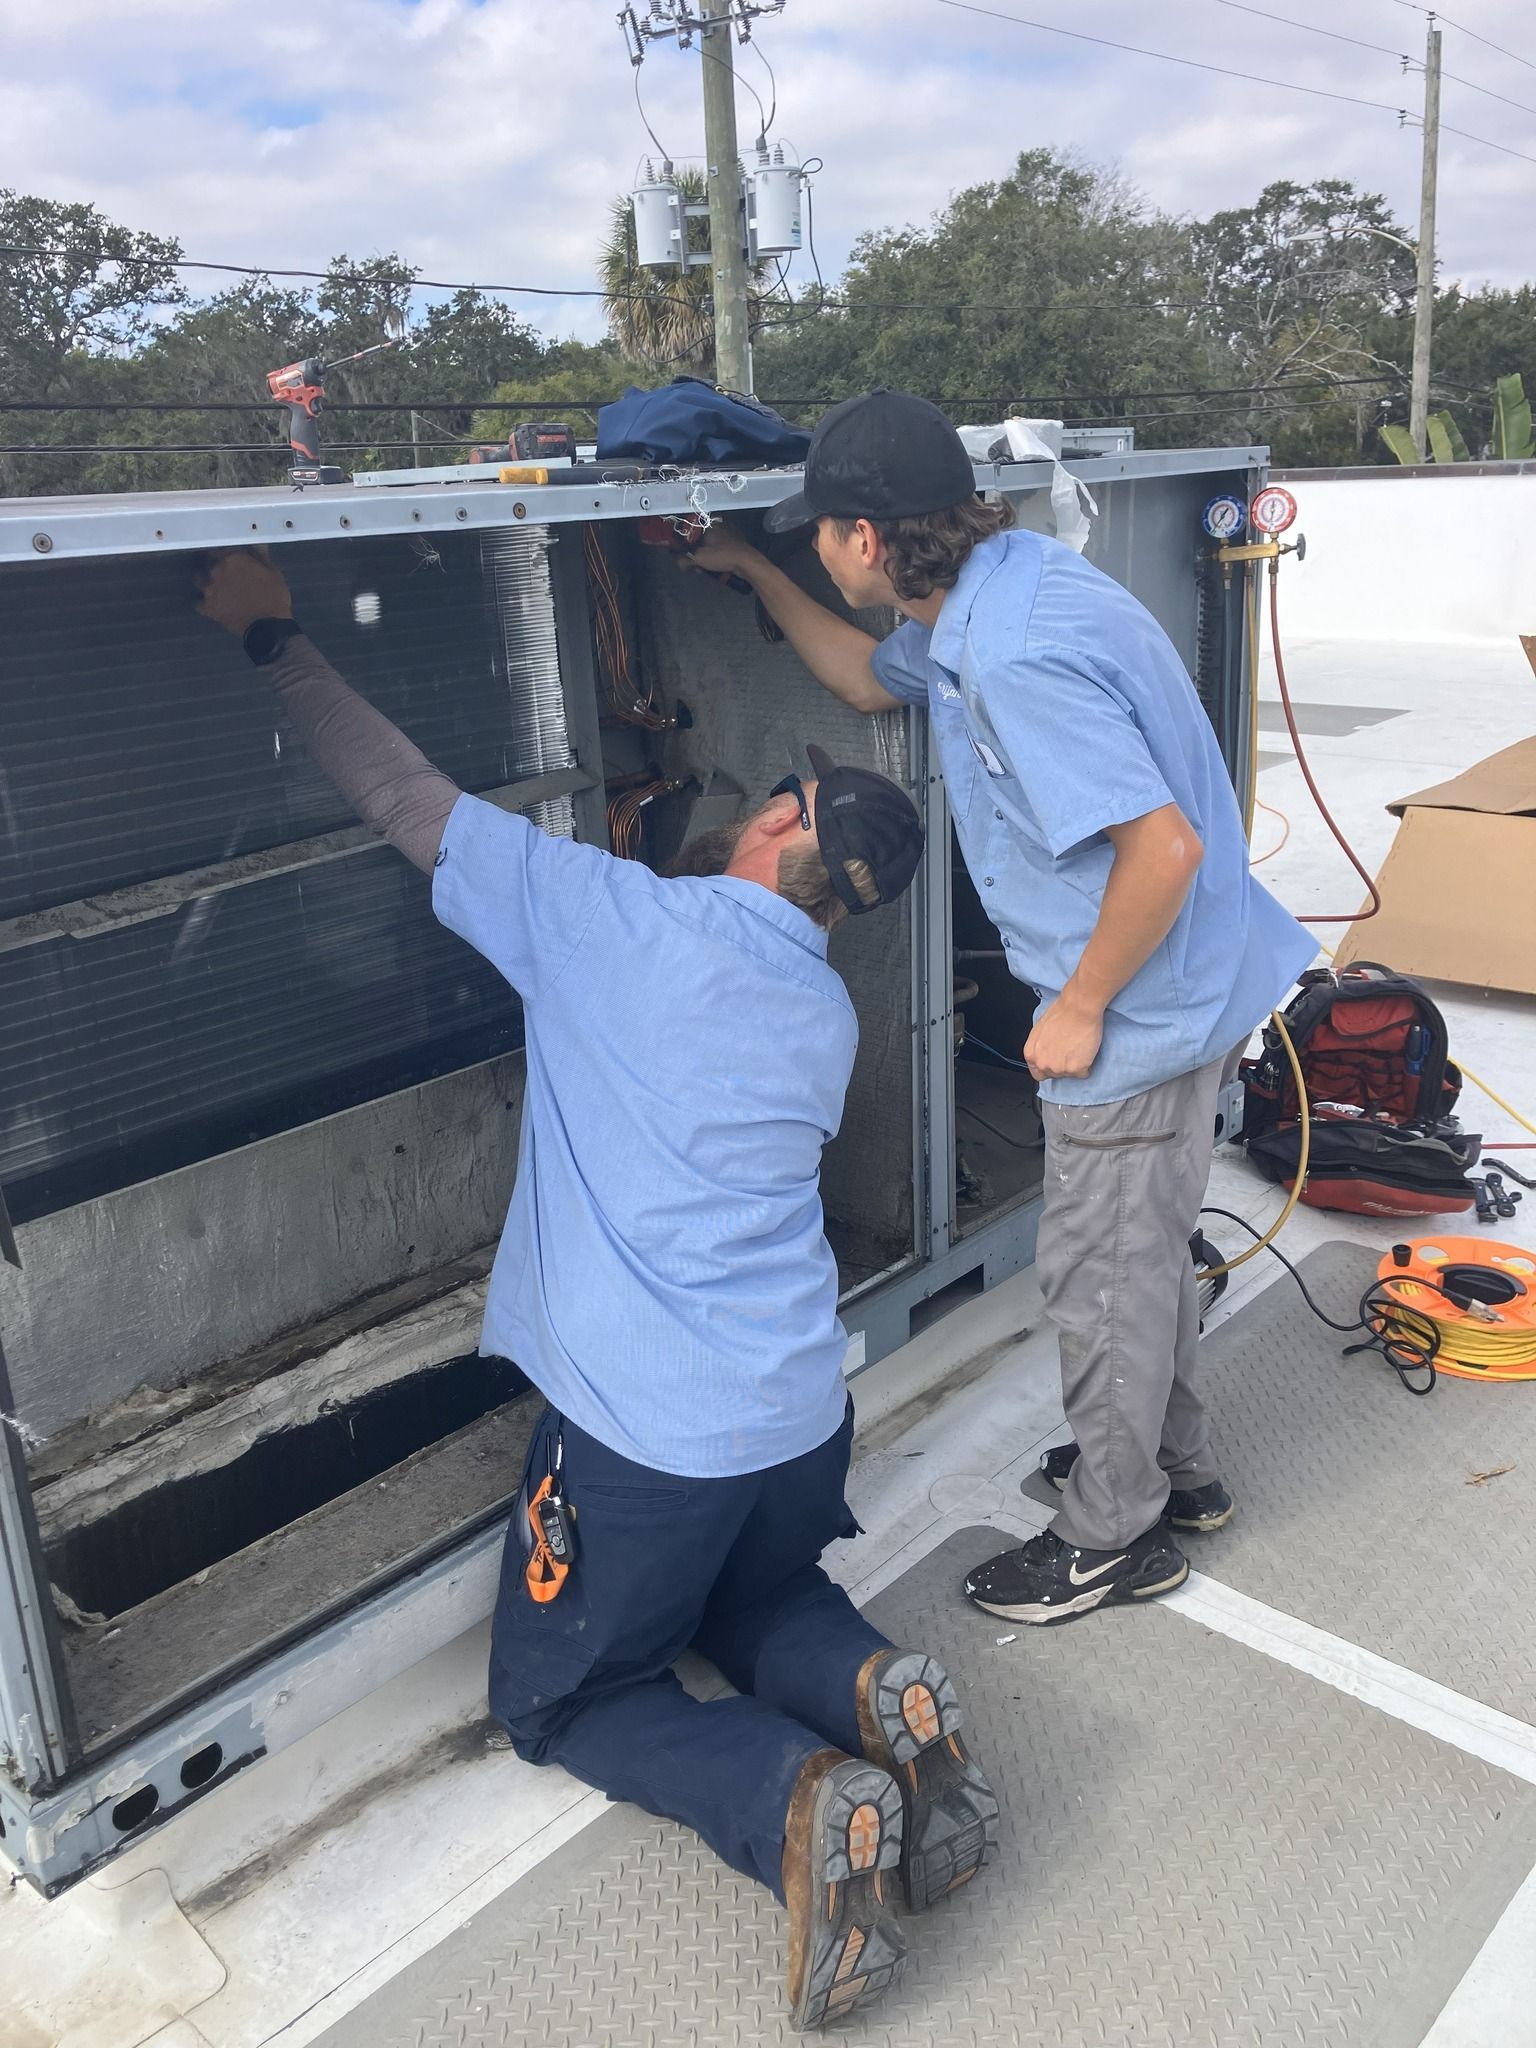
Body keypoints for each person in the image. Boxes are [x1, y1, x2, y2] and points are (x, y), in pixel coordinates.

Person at [195, 548, 998, 2030]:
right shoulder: (821, 1010)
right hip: (796, 1417)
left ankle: (792, 1799)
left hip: (651, 1448)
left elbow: (405, 801)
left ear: (771, 823)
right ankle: (879, 1688)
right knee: (760, 1597)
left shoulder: (608, 925)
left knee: (564, 1700)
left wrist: (274, 643)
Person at [682, 389, 1316, 1629]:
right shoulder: (997, 587)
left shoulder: (1015, 652)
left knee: (1099, 1280)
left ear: (868, 539)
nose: (816, 542)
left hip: (1143, 1012)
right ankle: (1166, 1474)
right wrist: (753, 564)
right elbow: (871, 682)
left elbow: (1163, 847)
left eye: (813, 529)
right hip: (1190, 987)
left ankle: (1110, 1539)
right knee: (1137, 1260)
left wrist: (1079, 1007)